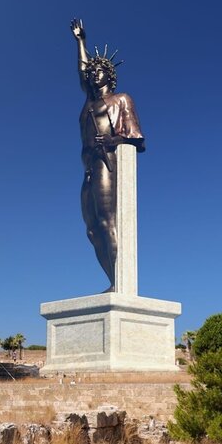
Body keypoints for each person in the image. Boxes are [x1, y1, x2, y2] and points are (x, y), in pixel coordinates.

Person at [71, 19, 145, 292]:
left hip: (107, 162)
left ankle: (121, 282)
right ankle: (113, 279)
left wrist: (113, 139)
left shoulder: (121, 99)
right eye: (92, 72)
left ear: (110, 75)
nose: (94, 74)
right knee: (92, 230)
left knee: (107, 222)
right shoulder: (89, 103)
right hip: (88, 167)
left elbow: (137, 138)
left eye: (99, 71)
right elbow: (82, 71)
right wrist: (80, 41)